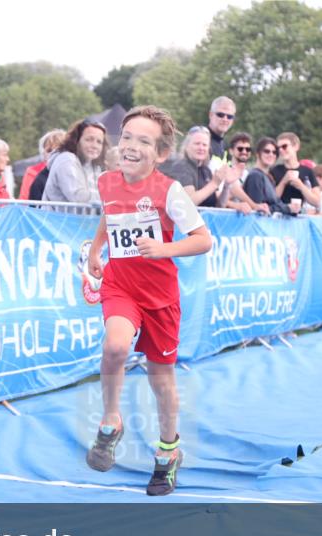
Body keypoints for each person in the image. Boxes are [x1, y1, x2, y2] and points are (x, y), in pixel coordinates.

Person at [85, 105, 212, 496]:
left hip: (160, 299)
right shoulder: (107, 182)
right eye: (126, 138)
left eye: (144, 141)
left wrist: (164, 248)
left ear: (159, 154)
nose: (131, 146)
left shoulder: (169, 191)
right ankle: (111, 422)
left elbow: (204, 239)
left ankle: (169, 451)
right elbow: (110, 216)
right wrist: (95, 250)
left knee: (162, 381)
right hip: (121, 287)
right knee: (115, 345)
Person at [43, 118, 108, 206]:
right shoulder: (66, 160)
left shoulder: (94, 166)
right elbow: (77, 196)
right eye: (89, 139)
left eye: (99, 142)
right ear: (76, 140)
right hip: (56, 219)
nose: (94, 146)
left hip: (80, 219)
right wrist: (111, 197)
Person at [242, 137, 296, 216]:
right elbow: (258, 209)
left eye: (274, 152)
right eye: (267, 151)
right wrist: (288, 208)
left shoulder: (269, 177)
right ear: (258, 154)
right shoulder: (255, 176)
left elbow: (275, 204)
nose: (271, 154)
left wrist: (291, 208)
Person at [270, 132, 321, 211]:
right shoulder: (274, 170)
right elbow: (271, 199)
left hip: (299, 218)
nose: (280, 150)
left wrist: (301, 186)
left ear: (296, 146)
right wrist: (284, 182)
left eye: (284, 146)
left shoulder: (308, 171)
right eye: (278, 148)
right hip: (278, 217)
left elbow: (317, 202)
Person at [19, 129, 65, 201]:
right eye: (49, 151)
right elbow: (25, 200)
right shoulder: (35, 175)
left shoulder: (77, 172)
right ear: (43, 153)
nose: (53, 154)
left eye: (59, 150)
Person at [205, 96, 236, 162]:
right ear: (210, 115)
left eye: (229, 116)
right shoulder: (201, 141)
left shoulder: (226, 146)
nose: (225, 119)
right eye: (220, 115)